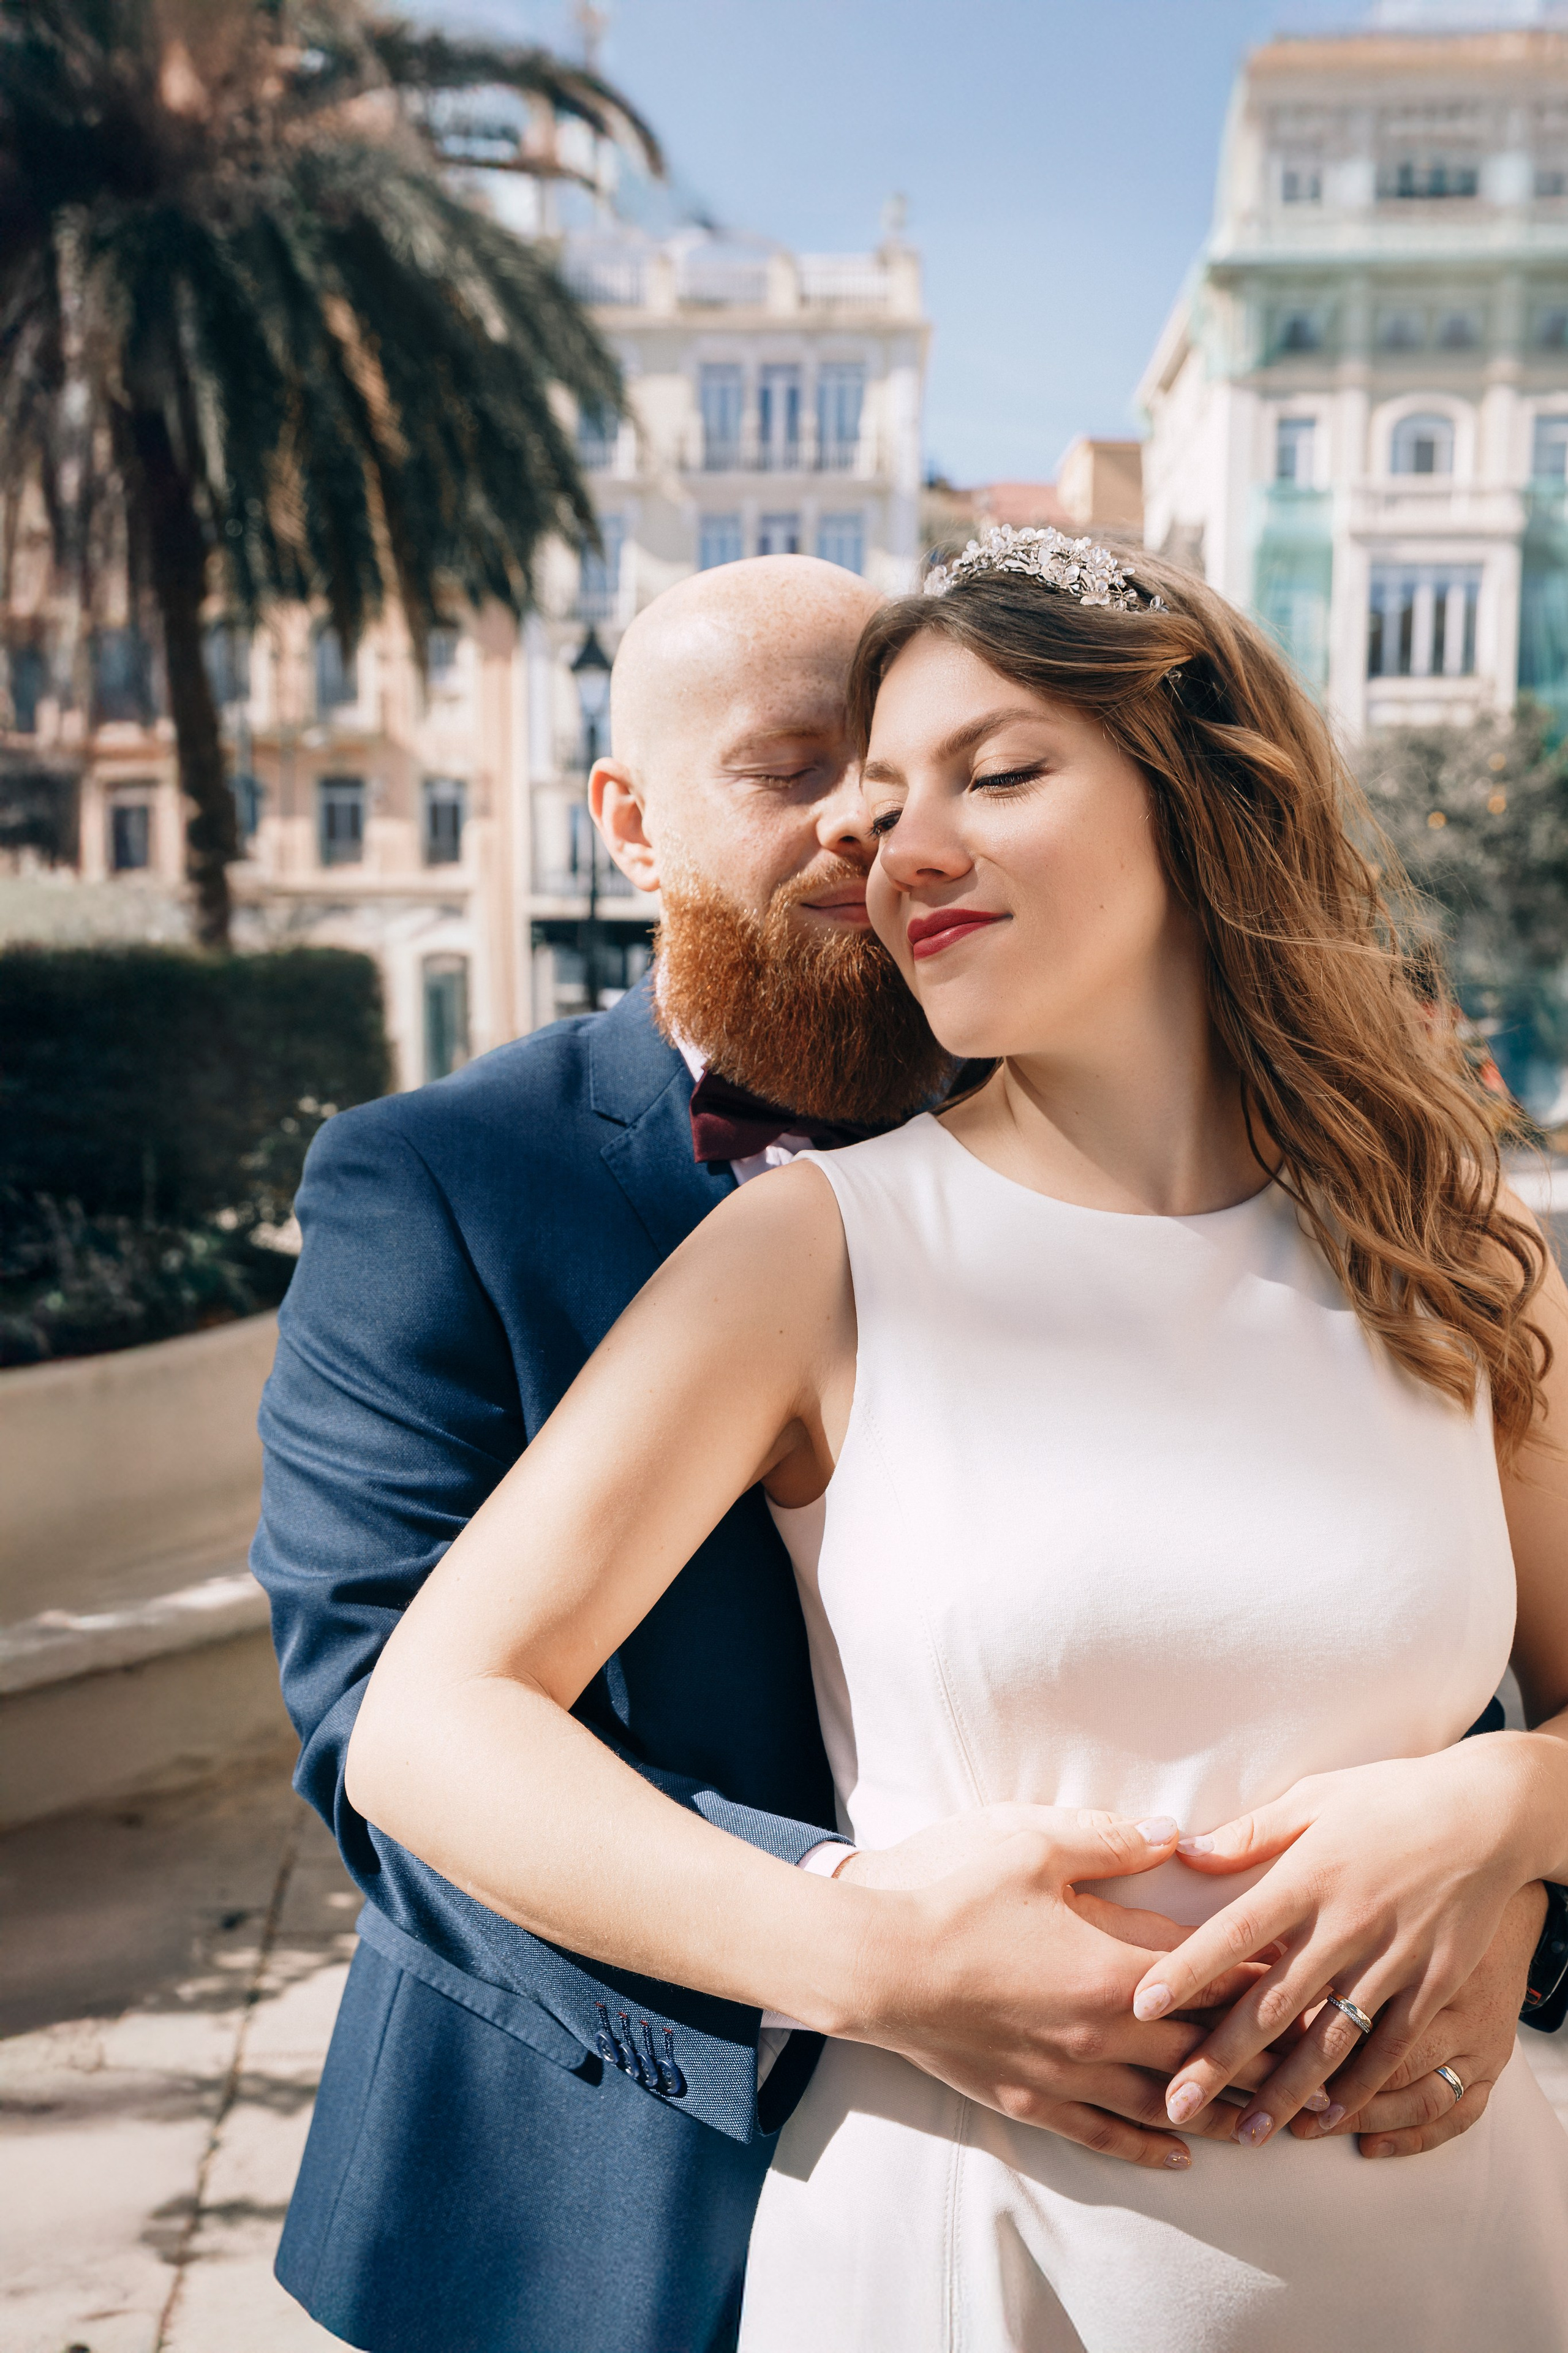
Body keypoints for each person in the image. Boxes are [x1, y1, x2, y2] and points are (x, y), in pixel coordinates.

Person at [344, 529, 1568, 2352]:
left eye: (995, 774)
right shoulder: (812, 1247)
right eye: (872, 796)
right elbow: (424, 1727)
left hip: (1456, 2251)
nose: (891, 847)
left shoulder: (1459, 1253)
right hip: (978, 2258)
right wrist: (876, 1955)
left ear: (1202, 802)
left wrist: (1515, 1804)